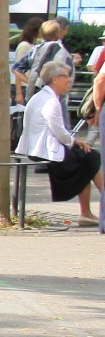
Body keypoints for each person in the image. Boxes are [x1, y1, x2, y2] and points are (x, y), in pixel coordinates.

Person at [17, 60, 101, 223]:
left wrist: (75, 142)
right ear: (55, 79)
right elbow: (59, 131)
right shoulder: (51, 101)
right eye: (66, 76)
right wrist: (75, 142)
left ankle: (86, 213)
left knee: (88, 159)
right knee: (90, 157)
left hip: (37, 147)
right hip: (44, 149)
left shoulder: (41, 96)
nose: (69, 80)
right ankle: (86, 212)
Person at [12, 16, 43, 99]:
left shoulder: (33, 45)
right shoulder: (24, 46)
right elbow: (17, 69)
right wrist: (18, 93)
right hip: (23, 86)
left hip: (29, 85)